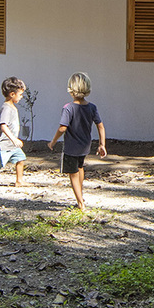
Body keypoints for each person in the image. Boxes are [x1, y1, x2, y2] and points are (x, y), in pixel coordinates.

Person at [49, 72, 107, 210]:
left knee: (72, 173)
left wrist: (53, 141)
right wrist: (102, 144)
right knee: (80, 168)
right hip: (85, 145)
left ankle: (80, 203)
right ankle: (80, 195)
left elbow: (63, 128)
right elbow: (100, 126)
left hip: (71, 147)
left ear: (70, 89)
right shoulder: (92, 107)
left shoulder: (68, 108)